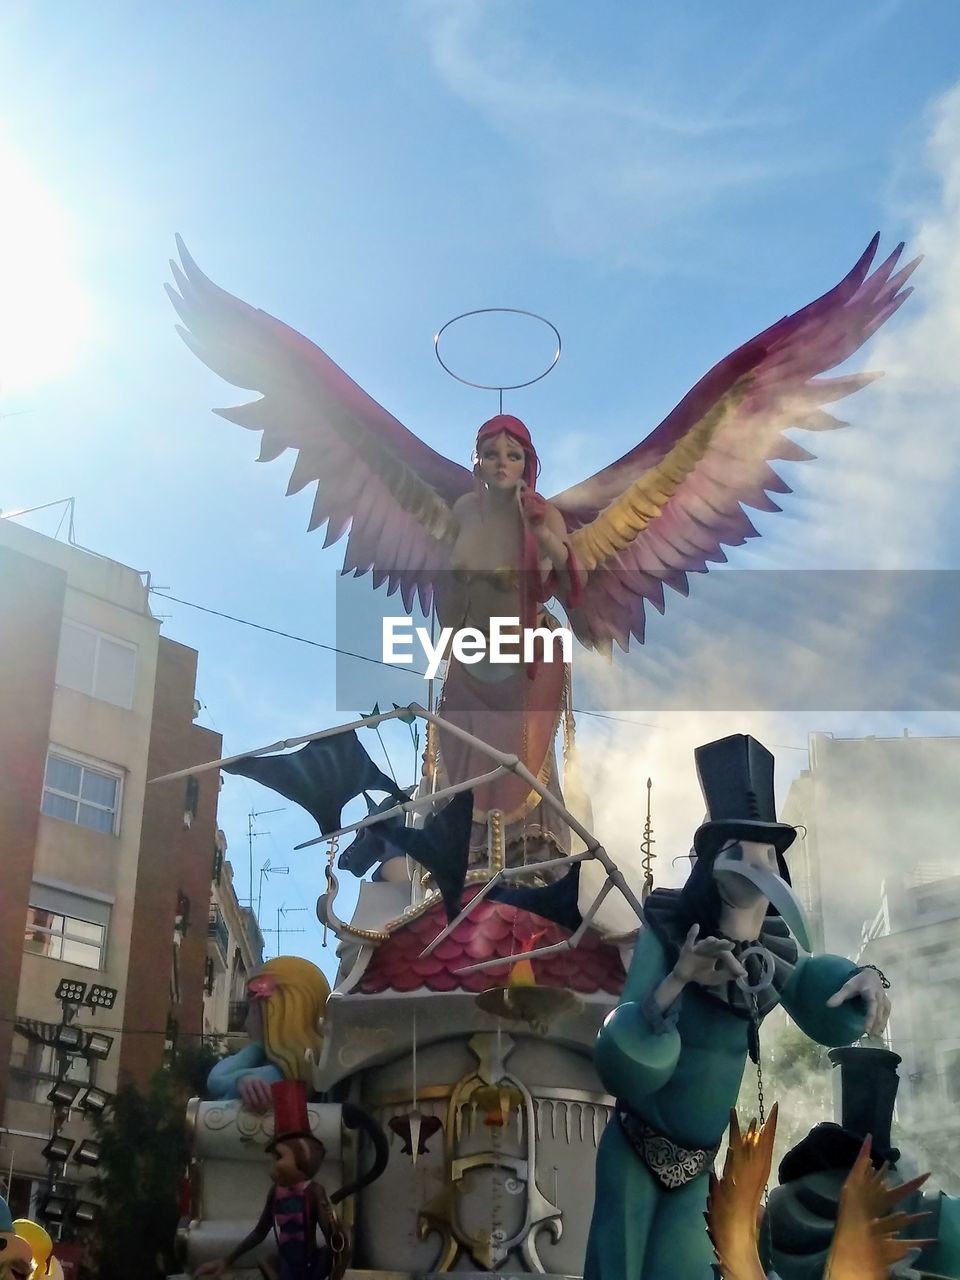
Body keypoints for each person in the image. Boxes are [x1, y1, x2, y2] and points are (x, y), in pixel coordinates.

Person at [584, 734, 891, 1280]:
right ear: (713, 861)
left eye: (767, 855)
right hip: (634, 1152)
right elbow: (621, 1057)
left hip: (700, 1170)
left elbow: (824, 997)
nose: (757, 867)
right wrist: (679, 979)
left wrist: (867, 977)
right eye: (742, 854)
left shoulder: (774, 948)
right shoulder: (669, 928)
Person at [434, 414, 582, 873]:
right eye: (492, 454)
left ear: (526, 464)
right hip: (471, 657)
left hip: (525, 662)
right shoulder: (462, 513)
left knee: (520, 768)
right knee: (463, 769)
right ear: (476, 461)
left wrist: (540, 534)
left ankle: (529, 862)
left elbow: (573, 582)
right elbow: (449, 605)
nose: (502, 464)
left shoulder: (543, 513)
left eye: (512, 456)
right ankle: (465, 858)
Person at [194, 1083, 346, 1280]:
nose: (272, 1167)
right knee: (265, 1262)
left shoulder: (314, 1192)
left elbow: (335, 1243)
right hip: (286, 1268)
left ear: (303, 1156)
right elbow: (260, 1232)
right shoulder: (276, 1193)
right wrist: (226, 1261)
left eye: (278, 1157)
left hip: (311, 1266)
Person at [207, 957, 329, 1111]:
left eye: (251, 1007)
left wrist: (257, 1044)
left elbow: (216, 1079)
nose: (246, 1021)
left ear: (271, 1011)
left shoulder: (275, 1075)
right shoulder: (312, 1066)